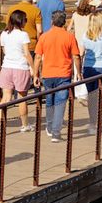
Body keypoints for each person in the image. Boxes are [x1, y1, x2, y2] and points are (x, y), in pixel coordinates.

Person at [32, 9, 82, 143]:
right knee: (60, 103)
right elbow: (76, 56)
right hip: (64, 74)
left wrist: (35, 75)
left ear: (51, 21)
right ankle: (56, 132)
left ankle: (49, 126)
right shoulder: (69, 37)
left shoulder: (44, 37)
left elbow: (38, 57)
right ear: (64, 22)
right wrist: (79, 72)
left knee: (49, 100)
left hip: (48, 74)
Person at [0, 8, 34, 133]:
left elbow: (4, 50)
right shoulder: (23, 35)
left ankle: (0, 124)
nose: (26, 22)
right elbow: (27, 54)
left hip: (6, 67)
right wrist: (33, 68)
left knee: (5, 97)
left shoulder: (4, 34)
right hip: (20, 68)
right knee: (22, 97)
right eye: (25, 20)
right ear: (21, 21)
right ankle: (24, 125)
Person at [78, 12, 102, 133]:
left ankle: (92, 122)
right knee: (99, 97)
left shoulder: (85, 35)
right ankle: (96, 121)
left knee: (91, 96)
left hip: (88, 68)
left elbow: (81, 53)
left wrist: (79, 70)